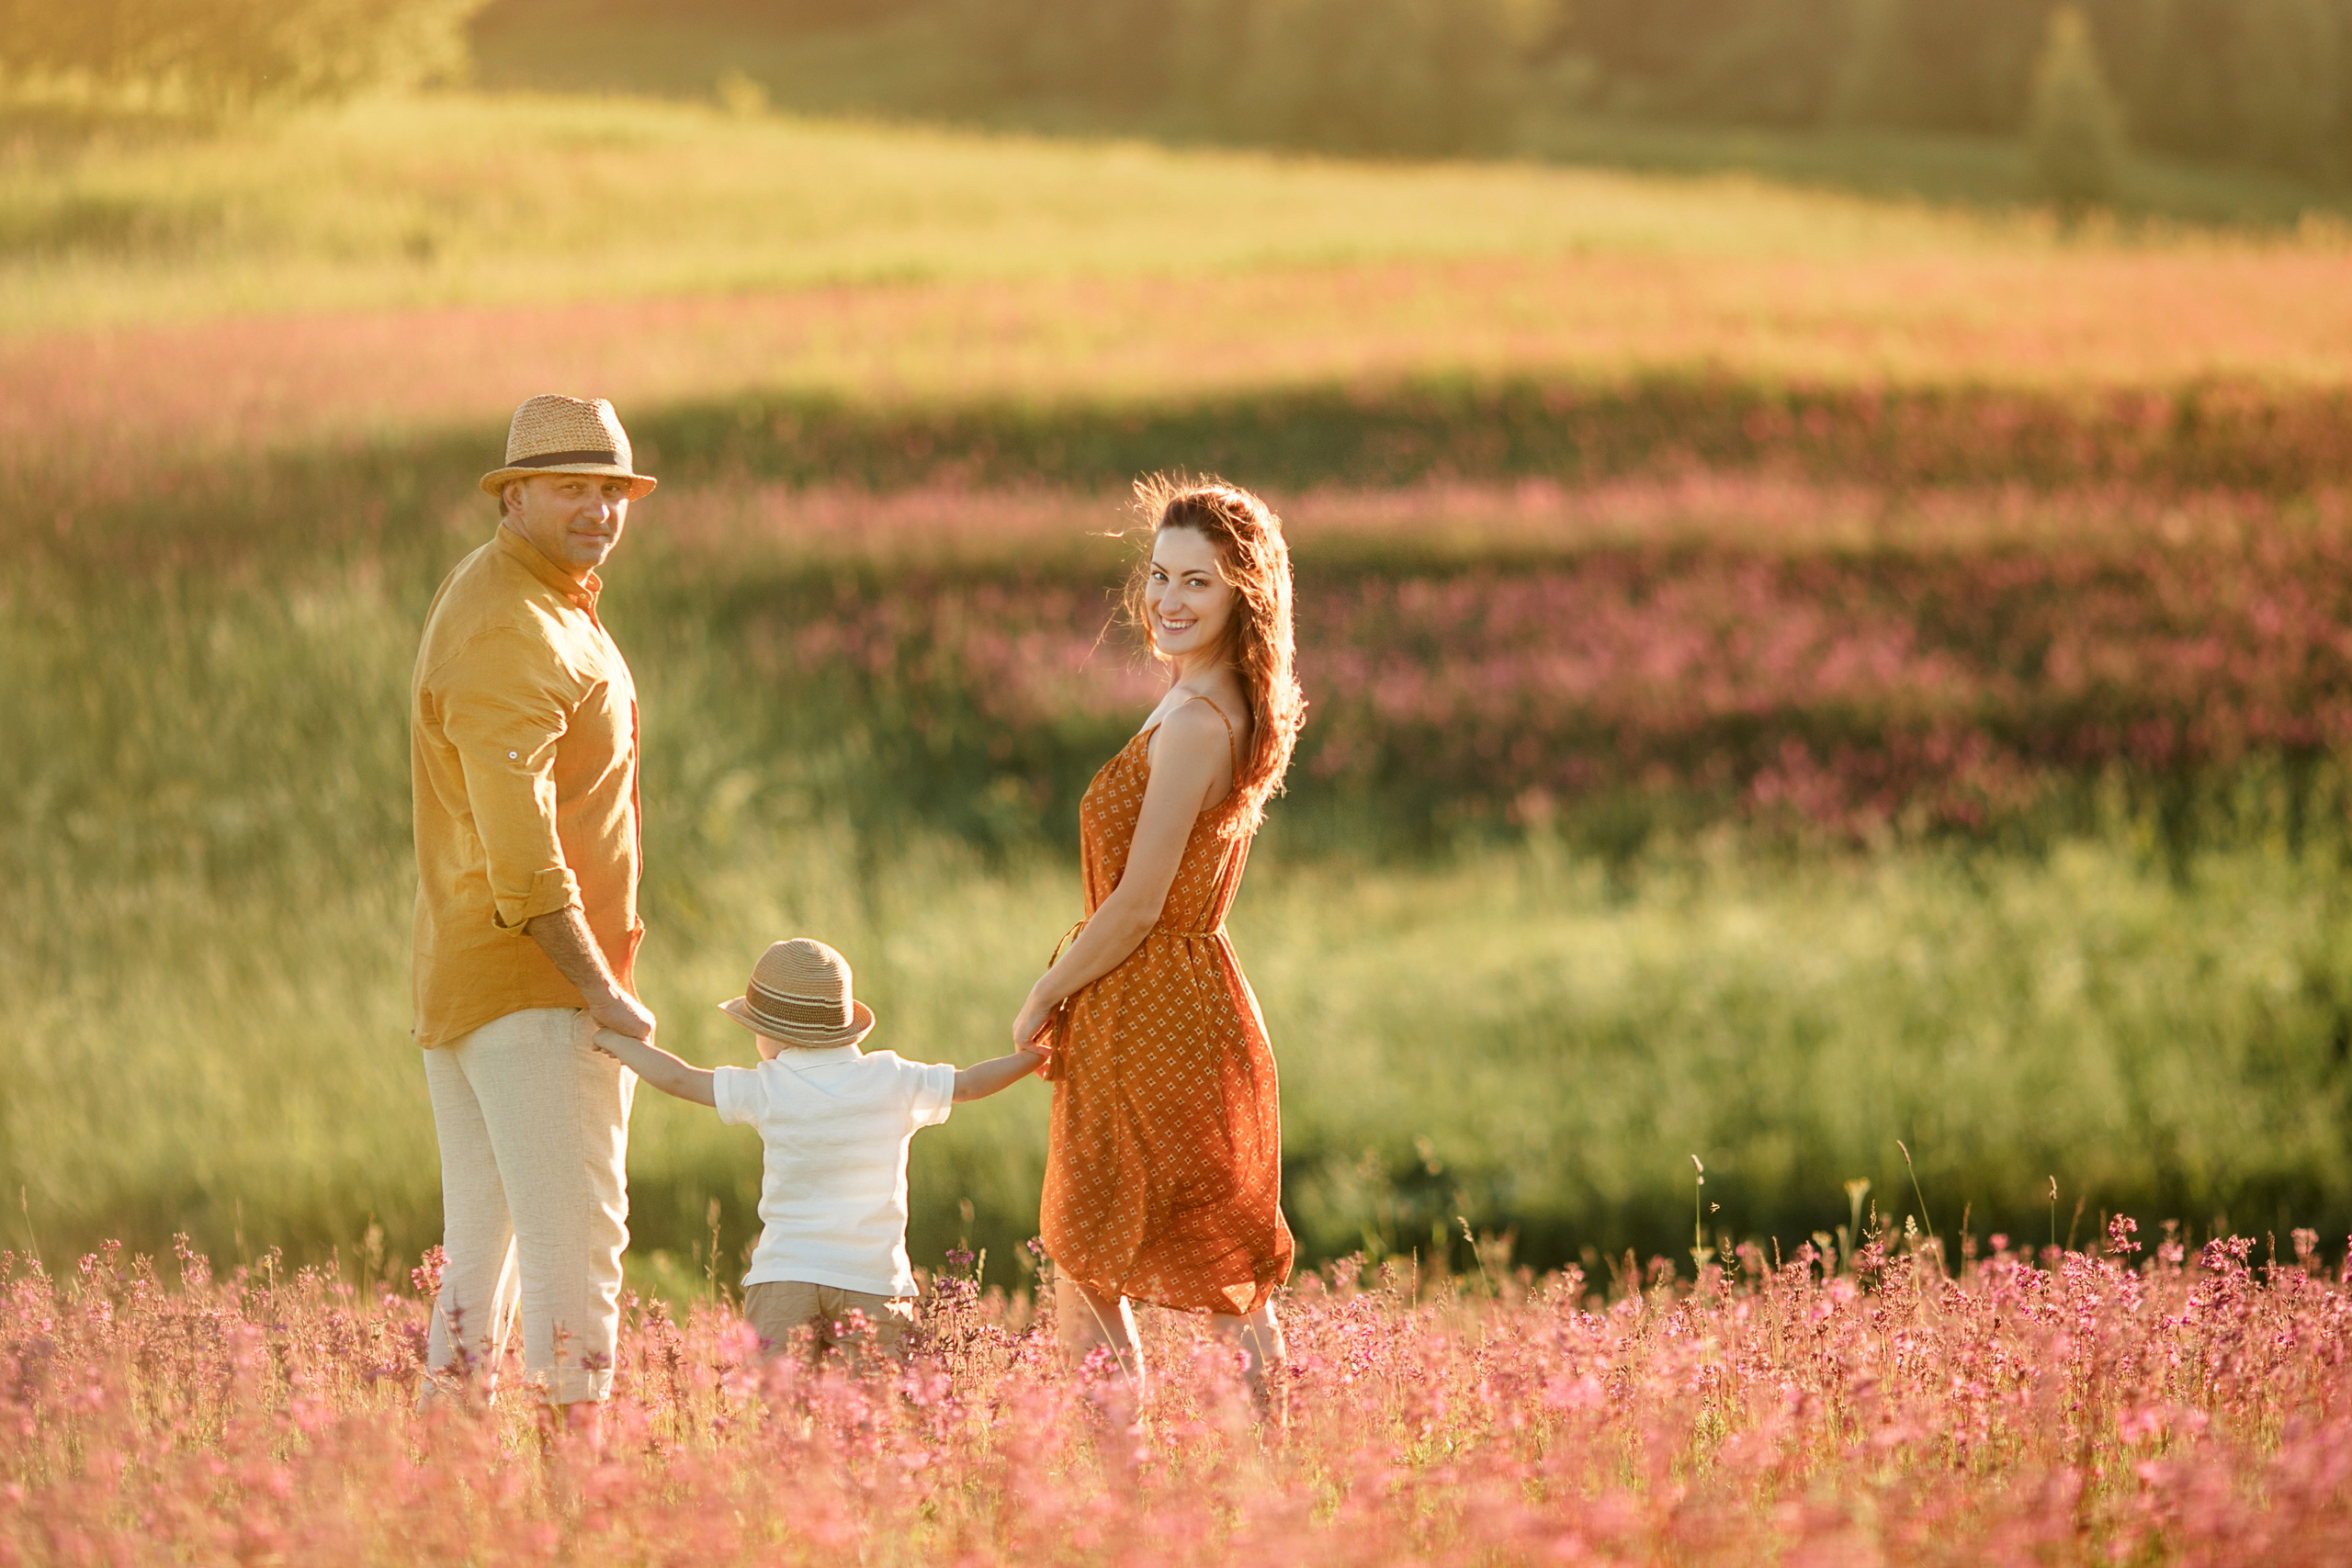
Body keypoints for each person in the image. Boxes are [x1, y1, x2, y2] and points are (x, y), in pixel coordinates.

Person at [1012, 476, 1307, 1416]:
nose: (1168, 600)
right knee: (1212, 1268)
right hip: (1176, 1000)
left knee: (1087, 1260)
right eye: (1160, 575)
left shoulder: (1193, 723)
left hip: (1150, 1007)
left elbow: (1139, 903)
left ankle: (1130, 1486)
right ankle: (1264, 1475)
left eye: (1197, 582)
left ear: (1244, 596)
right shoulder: (1217, 701)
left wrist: (1046, 989)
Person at [409, 395, 659, 1433]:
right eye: (572, 489)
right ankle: (576, 1499)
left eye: (612, 490)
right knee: (578, 1251)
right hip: (537, 992)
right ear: (514, 496)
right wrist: (601, 992)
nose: (599, 509)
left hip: (482, 985)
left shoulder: (536, 597)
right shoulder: (512, 621)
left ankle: (444, 1488)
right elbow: (522, 847)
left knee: (486, 1257)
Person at [589, 937, 1048, 1361]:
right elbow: (968, 1085)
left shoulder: (769, 1085)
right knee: (876, 1411)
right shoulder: (893, 1078)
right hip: (873, 1282)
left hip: (785, 1275)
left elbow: (680, 1078)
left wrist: (616, 1041)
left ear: (771, 1032)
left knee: (777, 1409)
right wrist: (1032, 1058)